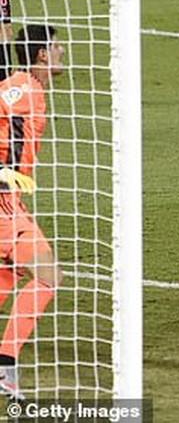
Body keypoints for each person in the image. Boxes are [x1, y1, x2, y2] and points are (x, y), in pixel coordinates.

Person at [0, 25, 64, 401]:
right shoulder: (24, 87)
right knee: (48, 274)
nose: (61, 53)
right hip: (2, 202)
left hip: (12, 200)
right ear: (41, 54)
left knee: (6, 278)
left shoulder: (27, 88)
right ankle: (4, 365)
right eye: (56, 47)